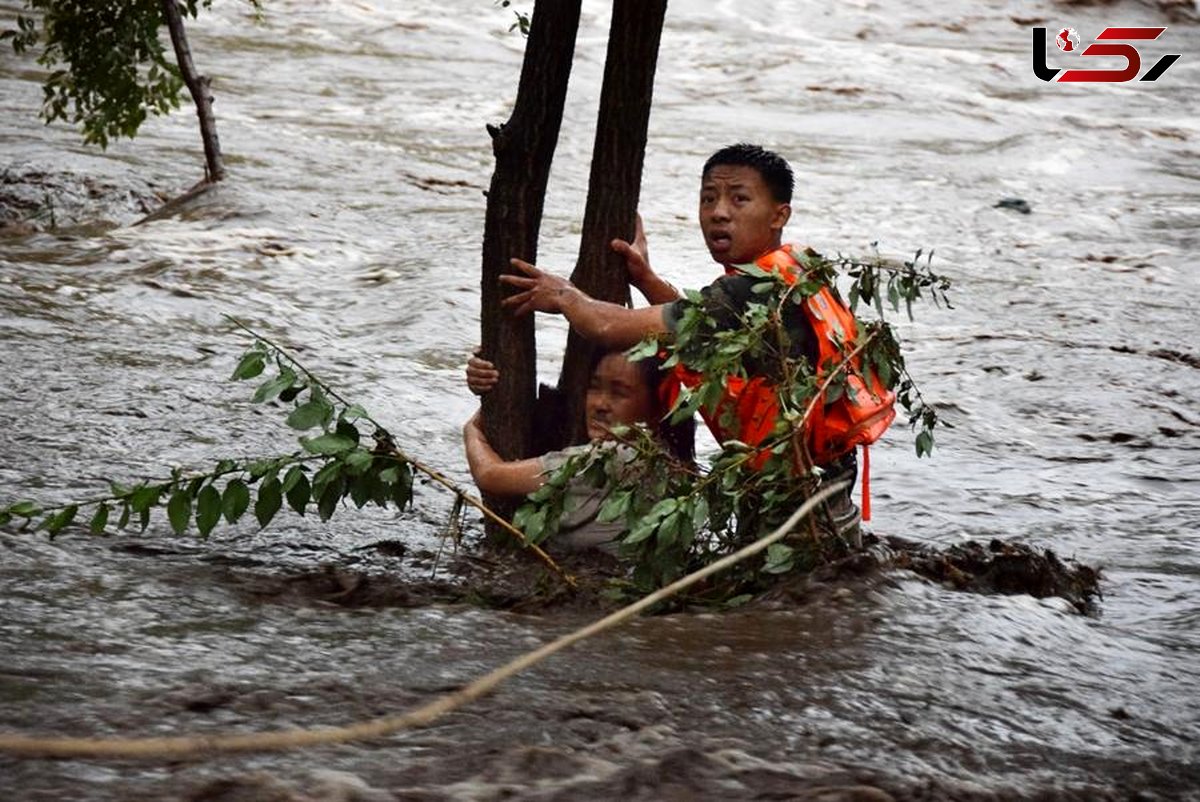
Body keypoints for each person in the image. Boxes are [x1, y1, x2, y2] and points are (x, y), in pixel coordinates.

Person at [499, 143, 863, 541]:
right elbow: (700, 323)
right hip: (829, 494)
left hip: (793, 516)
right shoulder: (799, 273)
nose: (719, 212)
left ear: (780, 215)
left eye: (739, 199)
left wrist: (565, 296)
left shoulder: (749, 291)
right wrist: (647, 280)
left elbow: (608, 327)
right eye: (708, 198)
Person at [463, 348, 694, 554]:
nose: (600, 404)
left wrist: (472, 427)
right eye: (594, 387)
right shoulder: (670, 457)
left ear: (657, 408)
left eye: (619, 393)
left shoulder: (615, 459)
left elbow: (490, 475)